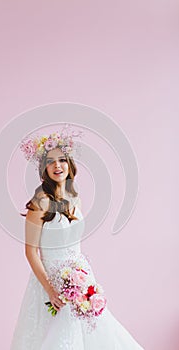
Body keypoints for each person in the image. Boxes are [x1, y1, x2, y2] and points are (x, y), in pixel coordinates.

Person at [10, 125, 145, 349]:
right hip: (50, 281)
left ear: (70, 164)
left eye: (62, 160)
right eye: (50, 162)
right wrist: (51, 290)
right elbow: (30, 251)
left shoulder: (75, 198)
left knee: (90, 333)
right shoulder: (40, 202)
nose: (57, 166)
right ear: (43, 168)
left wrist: (83, 279)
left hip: (80, 277)